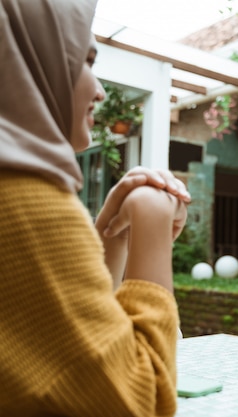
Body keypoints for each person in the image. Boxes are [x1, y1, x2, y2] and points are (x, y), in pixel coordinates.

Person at [0, 0, 190, 415]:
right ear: (32, 61)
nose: (100, 90)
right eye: (86, 61)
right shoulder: (21, 196)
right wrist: (152, 220)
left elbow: (70, 347)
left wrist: (112, 236)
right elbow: (139, 399)